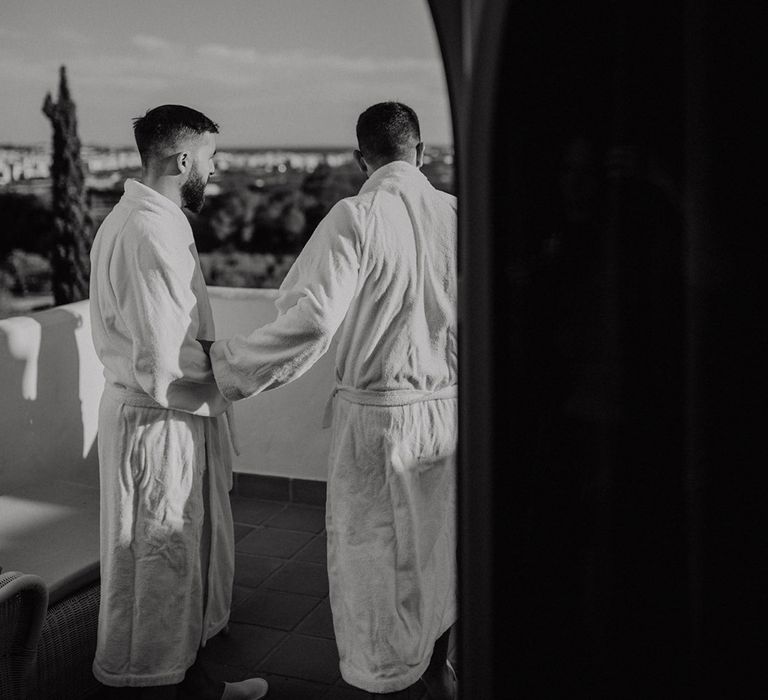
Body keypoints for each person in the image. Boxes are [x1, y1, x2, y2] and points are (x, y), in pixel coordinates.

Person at [204, 102, 457, 699]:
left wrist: (229, 362)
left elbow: (313, 320)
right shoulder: (457, 214)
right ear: (420, 152)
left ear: (359, 157)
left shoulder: (357, 215)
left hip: (379, 421)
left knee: (372, 557)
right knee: (438, 557)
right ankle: (439, 672)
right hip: (449, 415)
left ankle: (384, 681)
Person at [89, 104, 267, 700]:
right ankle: (158, 684)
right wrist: (242, 362)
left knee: (174, 558)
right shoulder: (146, 230)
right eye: (211, 158)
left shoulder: (151, 218)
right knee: (157, 563)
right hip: (156, 421)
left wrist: (213, 355)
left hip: (163, 414)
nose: (215, 170)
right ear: (183, 158)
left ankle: (193, 683)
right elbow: (166, 356)